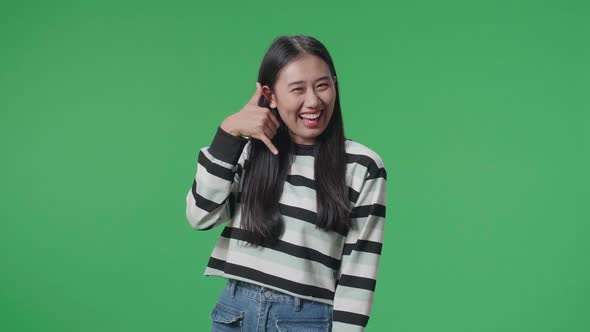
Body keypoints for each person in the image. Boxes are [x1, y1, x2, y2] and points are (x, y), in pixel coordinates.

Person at [185, 34, 387, 331]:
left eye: (323, 85)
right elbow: (200, 216)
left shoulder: (361, 165)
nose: (313, 101)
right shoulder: (249, 150)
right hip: (234, 314)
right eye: (297, 89)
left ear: (335, 84)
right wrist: (228, 132)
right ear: (271, 96)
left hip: (305, 320)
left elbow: (359, 273)